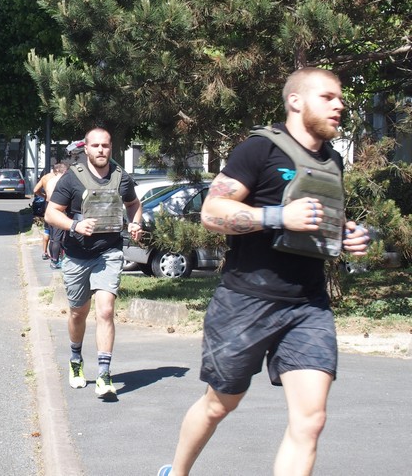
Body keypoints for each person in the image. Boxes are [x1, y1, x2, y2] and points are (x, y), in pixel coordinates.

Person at [157, 67, 370, 476]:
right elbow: (212, 214)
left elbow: (320, 222)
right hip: (246, 301)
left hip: (308, 306)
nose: (339, 104)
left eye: (340, 98)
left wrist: (346, 236)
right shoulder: (258, 150)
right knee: (221, 403)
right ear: (296, 101)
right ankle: (177, 472)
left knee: (311, 420)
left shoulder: (332, 160)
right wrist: (278, 215)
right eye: (328, 97)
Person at [45, 127, 143, 400]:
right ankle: (75, 358)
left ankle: (104, 374)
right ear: (86, 149)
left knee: (106, 310)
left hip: (108, 252)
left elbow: (134, 204)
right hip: (76, 254)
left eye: (106, 146)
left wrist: (135, 223)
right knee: (78, 312)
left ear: (111, 148)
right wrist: (75, 225)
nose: (101, 150)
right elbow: (52, 213)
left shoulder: (121, 177)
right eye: (96, 146)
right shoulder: (72, 179)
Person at [45, 161, 68, 269]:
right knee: (58, 238)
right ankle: (55, 261)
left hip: (49, 209)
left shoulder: (50, 180)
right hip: (58, 211)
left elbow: (48, 197)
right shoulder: (61, 181)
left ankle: (53, 259)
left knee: (53, 237)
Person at [33, 165, 57, 260]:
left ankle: (44, 252)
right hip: (59, 203)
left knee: (47, 229)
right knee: (58, 230)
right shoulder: (60, 177)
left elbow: (35, 190)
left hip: (47, 203)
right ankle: (58, 254)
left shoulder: (45, 178)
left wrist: (43, 195)